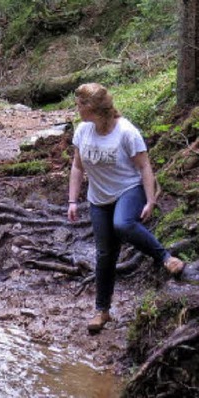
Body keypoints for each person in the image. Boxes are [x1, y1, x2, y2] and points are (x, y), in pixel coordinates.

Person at [67, 83, 185, 333]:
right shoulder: (82, 131)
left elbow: (145, 167)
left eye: (79, 105)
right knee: (104, 255)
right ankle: (102, 311)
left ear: (92, 108)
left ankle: (166, 258)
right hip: (98, 198)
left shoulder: (126, 132)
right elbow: (77, 167)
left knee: (122, 224)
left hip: (129, 190)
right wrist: (72, 200)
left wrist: (151, 200)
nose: (76, 109)